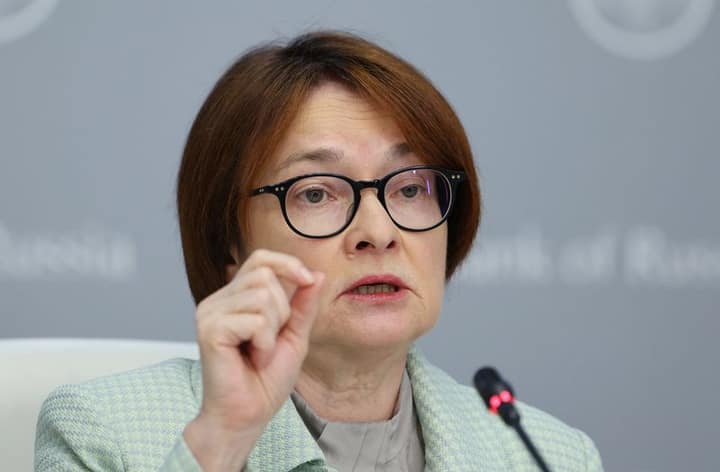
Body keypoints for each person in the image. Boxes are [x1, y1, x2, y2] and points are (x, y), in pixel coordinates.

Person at [35, 31, 603, 471]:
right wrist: (222, 441)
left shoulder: (544, 455)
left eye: (409, 188)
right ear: (230, 241)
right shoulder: (104, 434)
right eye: (315, 193)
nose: (378, 231)